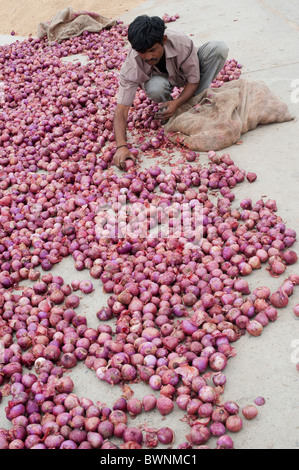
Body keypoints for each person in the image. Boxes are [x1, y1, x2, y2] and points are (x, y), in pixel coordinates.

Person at [113, 15, 229, 169]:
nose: (147, 57)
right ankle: (170, 112)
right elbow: (121, 109)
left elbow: (193, 81)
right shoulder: (132, 65)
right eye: (142, 52)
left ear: (164, 40)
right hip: (158, 80)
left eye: (152, 50)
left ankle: (192, 102)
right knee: (156, 87)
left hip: (184, 74)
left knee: (219, 48)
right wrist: (121, 146)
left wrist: (178, 102)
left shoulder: (181, 43)